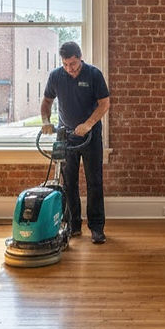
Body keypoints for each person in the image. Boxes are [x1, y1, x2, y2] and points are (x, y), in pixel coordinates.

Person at [40, 42, 110, 244]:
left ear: (80, 58)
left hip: (90, 136)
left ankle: (96, 228)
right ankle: (73, 225)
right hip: (66, 136)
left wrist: (88, 124)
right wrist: (45, 121)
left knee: (94, 182)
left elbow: (104, 103)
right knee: (69, 183)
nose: (69, 68)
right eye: (65, 64)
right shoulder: (56, 76)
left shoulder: (93, 74)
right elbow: (47, 101)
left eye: (73, 63)